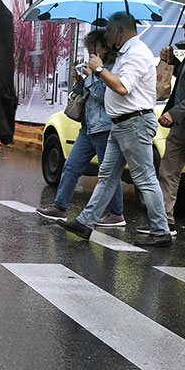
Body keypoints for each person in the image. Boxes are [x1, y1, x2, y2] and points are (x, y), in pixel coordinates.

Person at [58, 11, 172, 247]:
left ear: (121, 30)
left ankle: (161, 231)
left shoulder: (137, 54)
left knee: (145, 178)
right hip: (121, 125)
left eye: (109, 31)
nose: (107, 36)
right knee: (107, 176)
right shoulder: (126, 53)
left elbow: (122, 87)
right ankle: (85, 222)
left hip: (134, 124)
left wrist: (99, 70)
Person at [37, 30, 125, 226]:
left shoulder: (112, 68)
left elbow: (104, 95)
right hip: (88, 126)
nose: (91, 51)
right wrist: (80, 78)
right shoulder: (93, 69)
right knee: (71, 166)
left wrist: (93, 76)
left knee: (108, 172)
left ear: (105, 48)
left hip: (104, 127)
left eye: (94, 47)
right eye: (89, 48)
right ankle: (60, 207)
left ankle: (116, 213)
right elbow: (83, 94)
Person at [146, 9, 185, 236]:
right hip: (181, 124)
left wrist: (175, 113)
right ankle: (164, 223)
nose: (184, 26)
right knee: (168, 171)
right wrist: (172, 62)